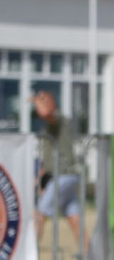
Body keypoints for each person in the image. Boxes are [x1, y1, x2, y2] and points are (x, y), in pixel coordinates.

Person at [32, 90, 82, 244]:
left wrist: (38, 101)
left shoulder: (58, 119)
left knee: (39, 214)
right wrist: (38, 179)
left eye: (44, 100)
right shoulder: (50, 126)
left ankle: (29, 257)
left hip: (63, 175)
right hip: (64, 175)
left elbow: (47, 113)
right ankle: (89, 258)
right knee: (74, 219)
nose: (40, 104)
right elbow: (48, 158)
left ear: (52, 103)